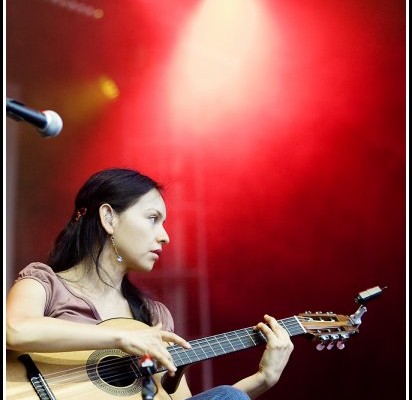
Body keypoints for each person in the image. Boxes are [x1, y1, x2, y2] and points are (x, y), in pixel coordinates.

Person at [6, 167, 294, 400]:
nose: (165, 236)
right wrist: (121, 338)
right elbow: (14, 329)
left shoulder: (153, 317)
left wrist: (262, 380)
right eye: (153, 219)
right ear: (108, 218)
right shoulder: (45, 282)